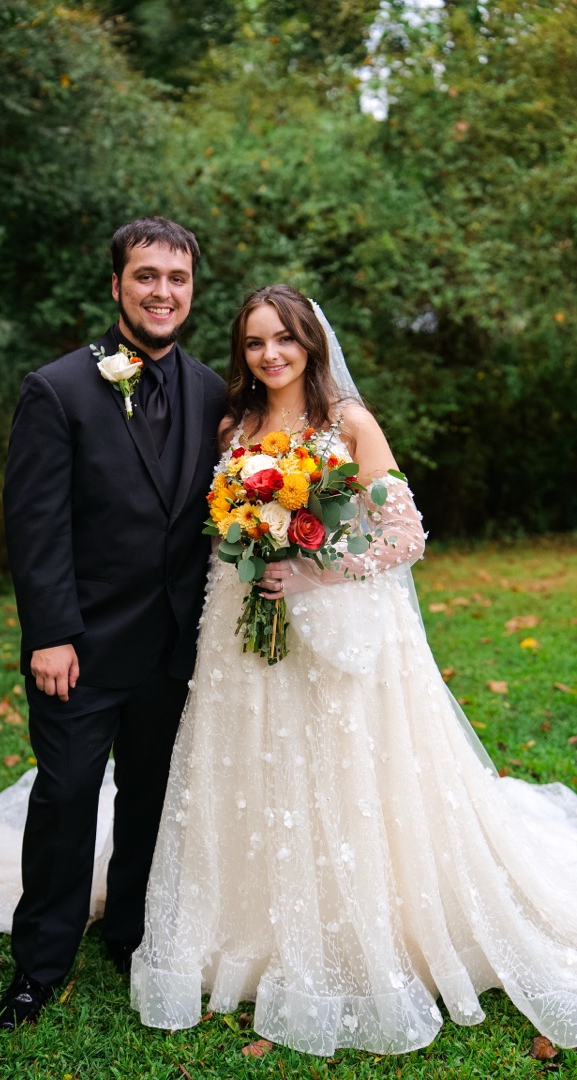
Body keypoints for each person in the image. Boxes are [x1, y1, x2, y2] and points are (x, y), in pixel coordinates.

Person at [129, 284, 577, 1055]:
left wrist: (315, 575)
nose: (270, 355)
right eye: (255, 343)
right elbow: (218, 524)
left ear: (311, 343)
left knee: (339, 770)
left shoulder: (348, 423)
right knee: (252, 769)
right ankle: (248, 926)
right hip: (241, 626)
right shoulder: (234, 425)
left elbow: (406, 535)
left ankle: (360, 924)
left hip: (336, 626)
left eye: (284, 340)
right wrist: (246, 559)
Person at [0, 216, 225, 1029]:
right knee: (65, 798)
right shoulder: (58, 388)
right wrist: (50, 633)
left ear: (192, 290)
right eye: (147, 276)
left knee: (153, 799)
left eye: (178, 279)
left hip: (173, 646)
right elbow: (35, 523)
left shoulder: (211, 390)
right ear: (118, 285)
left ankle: (130, 935)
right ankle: (40, 963)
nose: (163, 291)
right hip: (82, 648)